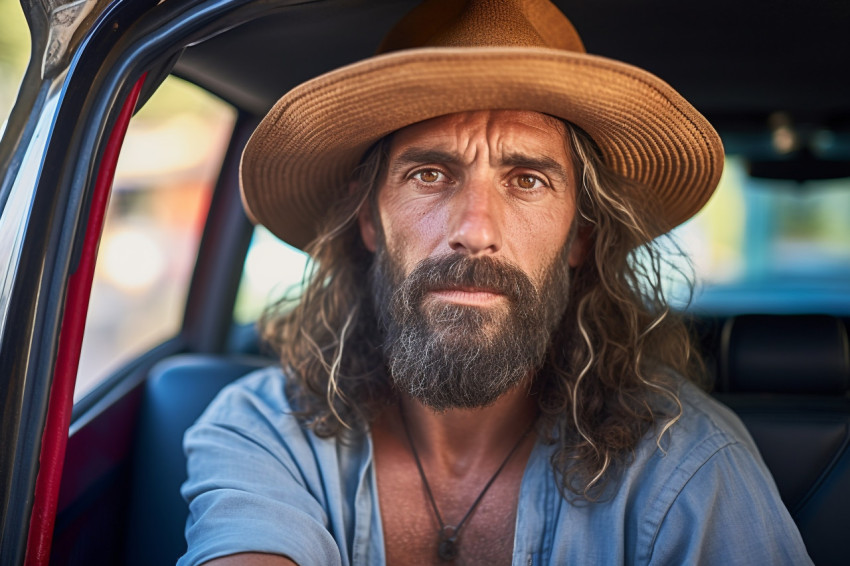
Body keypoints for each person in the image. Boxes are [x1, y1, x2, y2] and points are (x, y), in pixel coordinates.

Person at [180, 0, 812, 564]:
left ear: (581, 236)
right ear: (368, 219)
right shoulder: (265, 428)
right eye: (429, 174)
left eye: (527, 180)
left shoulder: (687, 470)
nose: (475, 229)